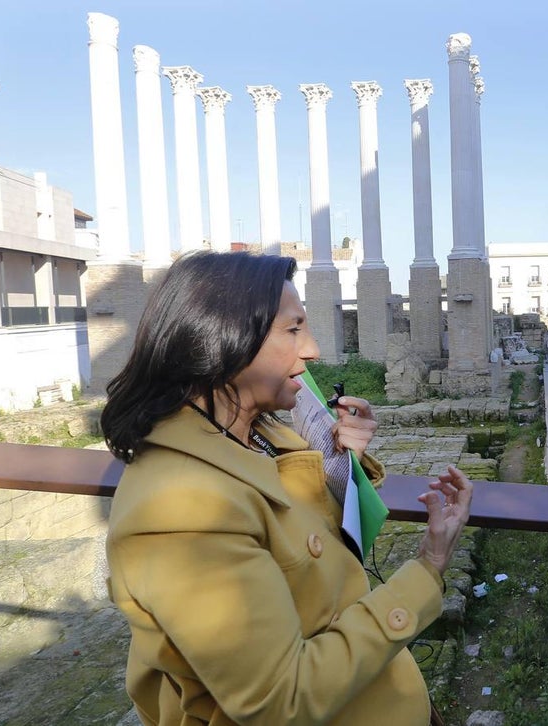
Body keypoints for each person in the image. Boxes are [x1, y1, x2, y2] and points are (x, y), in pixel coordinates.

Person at [101, 251, 473, 725]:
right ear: (223, 337)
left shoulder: (260, 432)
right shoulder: (178, 510)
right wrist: (429, 567)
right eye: (294, 328)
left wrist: (344, 465)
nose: (313, 349)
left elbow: (315, 562)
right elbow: (283, 700)